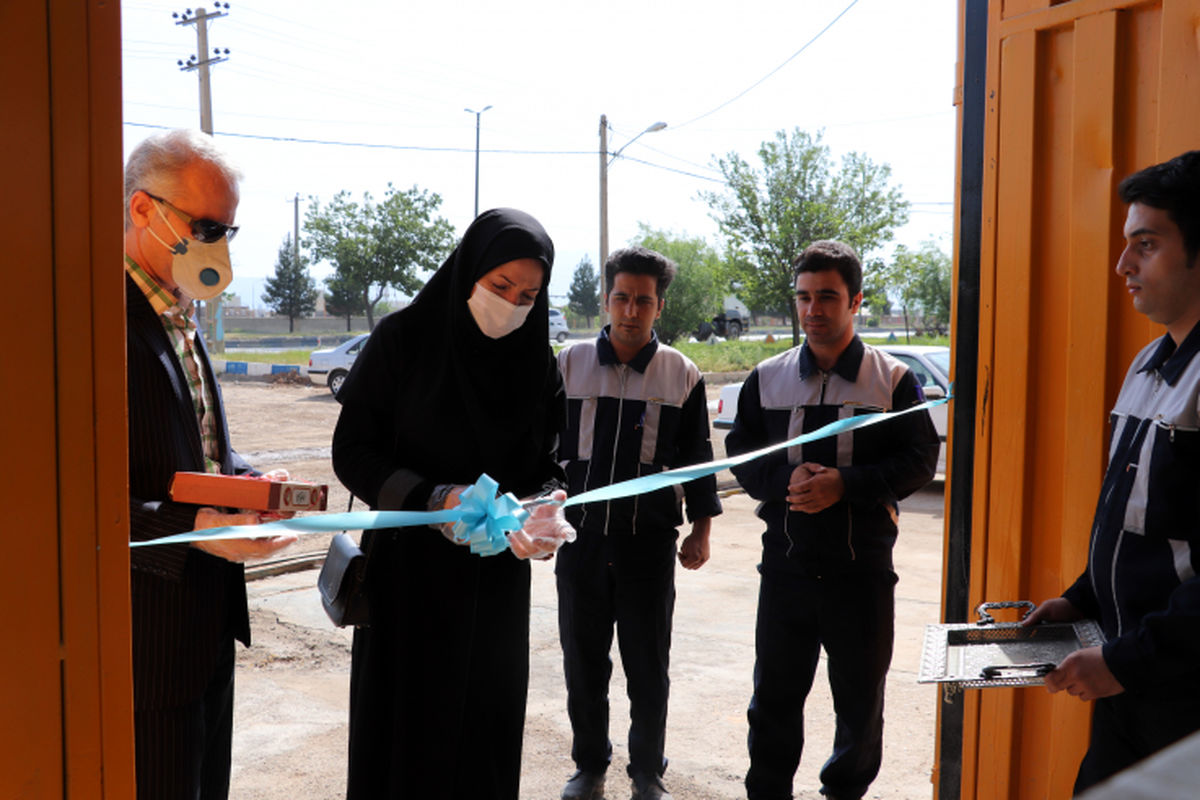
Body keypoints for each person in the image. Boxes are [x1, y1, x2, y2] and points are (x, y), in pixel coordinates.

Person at [331, 208, 573, 799]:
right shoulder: (403, 341)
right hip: (406, 584)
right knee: (405, 738)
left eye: (527, 295)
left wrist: (545, 511)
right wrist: (436, 500)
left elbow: (549, 466)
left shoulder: (535, 363)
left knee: (483, 737)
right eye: (499, 286)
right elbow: (353, 454)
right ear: (469, 271)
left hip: (494, 588)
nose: (512, 303)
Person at [725, 240, 939, 800]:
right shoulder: (766, 379)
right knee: (772, 700)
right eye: (803, 297)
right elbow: (743, 454)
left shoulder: (891, 380)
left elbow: (919, 460)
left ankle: (844, 792)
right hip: (787, 571)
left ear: (856, 302)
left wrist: (845, 485)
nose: (813, 310)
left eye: (827, 297)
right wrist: (784, 483)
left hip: (861, 573)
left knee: (860, 703)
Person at [124, 128, 298, 798]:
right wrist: (200, 523)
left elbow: (192, 449)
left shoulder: (180, 314)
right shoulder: (92, 323)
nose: (217, 246)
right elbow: (75, 501)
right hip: (146, 648)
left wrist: (247, 484)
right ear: (142, 210)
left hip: (207, 634)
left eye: (228, 230)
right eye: (204, 226)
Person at [1025, 151, 1200, 794]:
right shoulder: (1149, 364)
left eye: (1146, 245)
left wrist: (1127, 660)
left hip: (1183, 699)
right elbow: (1137, 523)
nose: (1123, 265)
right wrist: (1081, 599)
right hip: (1129, 686)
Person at [555, 246, 723, 800]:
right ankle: (589, 765)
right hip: (580, 543)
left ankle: (647, 770)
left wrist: (700, 528)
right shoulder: (568, 364)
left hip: (648, 546)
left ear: (660, 307)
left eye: (643, 301)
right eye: (622, 297)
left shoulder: (681, 373)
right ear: (606, 300)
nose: (631, 310)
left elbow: (697, 457)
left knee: (648, 664)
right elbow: (540, 449)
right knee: (583, 662)